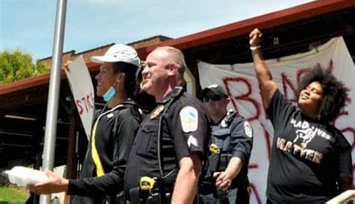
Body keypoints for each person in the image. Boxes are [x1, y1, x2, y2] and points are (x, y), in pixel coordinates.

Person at [249, 28, 353, 204]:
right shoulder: (285, 113)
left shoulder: (338, 140)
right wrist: (255, 49)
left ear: (326, 101)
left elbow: (346, 185)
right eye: (306, 87)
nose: (306, 91)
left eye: (314, 91)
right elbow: (266, 80)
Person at [31, 44, 143, 204]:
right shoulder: (103, 114)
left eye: (103, 71)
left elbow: (120, 177)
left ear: (120, 78)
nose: (97, 77)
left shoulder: (128, 118)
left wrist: (67, 185)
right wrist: (76, 79)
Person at [123, 45, 209, 204]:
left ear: (171, 69)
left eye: (151, 65)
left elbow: (191, 168)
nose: (143, 71)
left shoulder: (184, 107)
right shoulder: (158, 111)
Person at [198, 84, 253, 204]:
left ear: (226, 101)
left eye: (215, 98)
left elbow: (240, 153)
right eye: (206, 98)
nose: (210, 101)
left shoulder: (238, 124)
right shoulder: (199, 126)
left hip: (230, 191)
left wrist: (227, 176)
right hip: (203, 193)